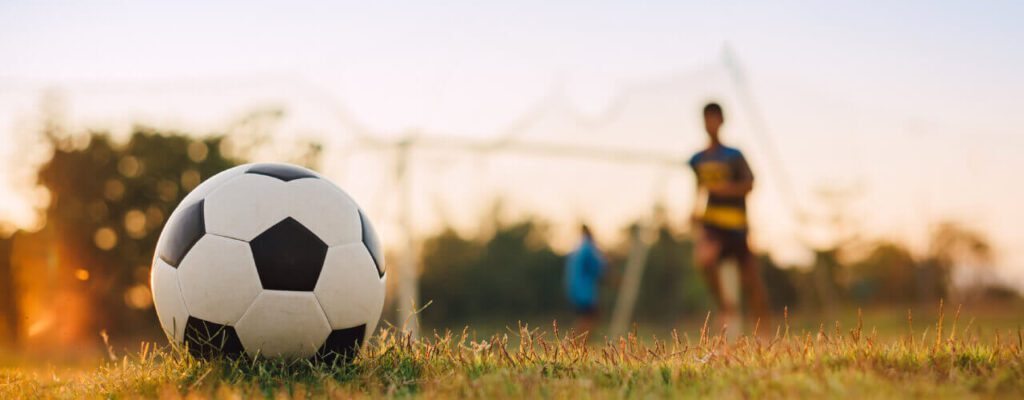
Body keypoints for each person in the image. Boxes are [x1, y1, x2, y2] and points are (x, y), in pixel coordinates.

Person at [688, 102, 770, 333]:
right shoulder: (698, 159)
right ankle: (726, 306)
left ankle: (764, 331)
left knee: (752, 281)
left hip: (736, 224)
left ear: (721, 121)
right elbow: (699, 188)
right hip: (712, 223)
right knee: (705, 259)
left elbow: (750, 184)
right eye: (707, 119)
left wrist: (726, 189)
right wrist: (693, 210)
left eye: (714, 118)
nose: (710, 123)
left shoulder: (734, 155)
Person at [564, 224, 606, 334]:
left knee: (587, 317)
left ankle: (576, 345)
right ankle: (572, 345)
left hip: (575, 290)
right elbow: (599, 268)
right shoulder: (588, 248)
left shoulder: (578, 248)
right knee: (589, 318)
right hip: (584, 291)